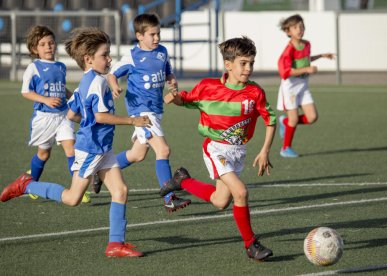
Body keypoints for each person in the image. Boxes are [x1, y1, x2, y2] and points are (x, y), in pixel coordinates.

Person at [1, 27, 152, 257]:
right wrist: (132, 121)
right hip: (91, 149)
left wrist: (87, 120)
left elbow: (71, 114)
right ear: (89, 59)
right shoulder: (97, 83)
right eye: (105, 54)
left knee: (120, 190)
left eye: (109, 53)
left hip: (102, 147)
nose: (109, 58)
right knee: (73, 198)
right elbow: (100, 116)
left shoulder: (90, 80)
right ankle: (26, 185)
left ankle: (115, 244)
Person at [161, 36, 276, 261]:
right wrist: (174, 98)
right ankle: (251, 245)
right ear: (228, 64)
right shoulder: (208, 87)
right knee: (240, 192)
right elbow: (186, 99)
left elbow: (270, 120)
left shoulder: (255, 93)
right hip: (216, 148)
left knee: (220, 201)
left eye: (251, 63)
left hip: (238, 151)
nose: (248, 68)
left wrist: (265, 151)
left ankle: (181, 180)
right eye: (243, 63)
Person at [107, 13, 191, 213]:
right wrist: (114, 86)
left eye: (158, 33)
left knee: (137, 154)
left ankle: (101, 168)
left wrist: (172, 81)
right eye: (152, 34)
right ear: (139, 36)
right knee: (163, 150)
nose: (157, 38)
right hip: (141, 111)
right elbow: (112, 74)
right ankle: (169, 198)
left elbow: (168, 72)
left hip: (157, 109)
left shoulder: (162, 52)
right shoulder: (132, 56)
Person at [20, 25, 90, 203]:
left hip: (63, 115)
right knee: (44, 154)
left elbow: (61, 89)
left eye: (51, 43)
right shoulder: (34, 67)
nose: (48, 46)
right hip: (45, 118)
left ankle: (78, 190)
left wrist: (73, 97)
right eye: (43, 44)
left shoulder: (60, 66)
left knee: (71, 149)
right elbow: (26, 92)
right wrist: (45, 99)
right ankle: (31, 184)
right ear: (35, 49)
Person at [277, 14, 335, 157]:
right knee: (294, 119)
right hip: (290, 87)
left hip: (303, 85)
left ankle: (284, 121)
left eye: (301, 26)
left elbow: (305, 59)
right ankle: (285, 148)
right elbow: (285, 71)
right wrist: (307, 70)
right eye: (295, 27)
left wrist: (321, 55)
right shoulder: (288, 50)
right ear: (288, 31)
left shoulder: (307, 44)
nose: (299, 29)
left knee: (312, 117)